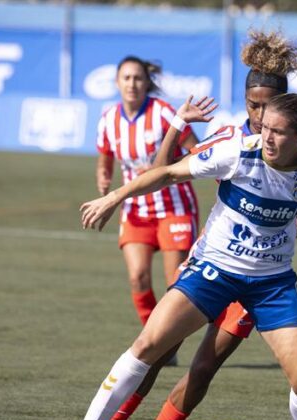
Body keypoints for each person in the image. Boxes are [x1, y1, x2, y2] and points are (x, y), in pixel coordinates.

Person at [40, 92, 297, 420]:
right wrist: (114, 196)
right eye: (264, 127)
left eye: (278, 132)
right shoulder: (236, 151)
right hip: (214, 270)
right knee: (148, 346)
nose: (266, 137)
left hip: (272, 283)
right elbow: (167, 173)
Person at [97, 56, 200, 361]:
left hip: (174, 207)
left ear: (146, 82)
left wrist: (164, 168)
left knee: (175, 286)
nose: (132, 84)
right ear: (117, 82)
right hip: (136, 211)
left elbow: (195, 151)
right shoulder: (107, 119)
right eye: (126, 78)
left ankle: (166, 342)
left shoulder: (164, 113)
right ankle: (156, 340)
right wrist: (103, 177)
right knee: (137, 278)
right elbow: (105, 157)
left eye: (138, 78)